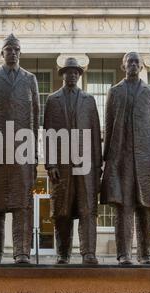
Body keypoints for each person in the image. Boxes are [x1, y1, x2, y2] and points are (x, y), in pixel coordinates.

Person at [100, 52, 150, 265]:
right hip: (121, 160)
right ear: (123, 65)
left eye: (137, 62)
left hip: (146, 161)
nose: (134, 65)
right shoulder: (115, 92)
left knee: (147, 208)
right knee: (124, 209)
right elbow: (108, 126)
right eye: (130, 62)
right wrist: (106, 158)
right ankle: (124, 254)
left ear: (141, 66)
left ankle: (145, 254)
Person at [0, 34, 40, 264]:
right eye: (9, 49)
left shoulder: (30, 79)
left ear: (20, 52)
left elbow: (35, 116)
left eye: (16, 49)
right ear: (2, 53)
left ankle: (22, 252)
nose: (13, 52)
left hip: (23, 151)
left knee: (23, 205)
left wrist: (34, 153)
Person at [43, 57, 102, 265]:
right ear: (63, 75)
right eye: (69, 72)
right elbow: (48, 133)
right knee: (62, 211)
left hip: (86, 165)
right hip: (61, 165)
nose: (72, 75)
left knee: (87, 209)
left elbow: (95, 135)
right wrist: (50, 163)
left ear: (79, 75)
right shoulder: (52, 100)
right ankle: (63, 253)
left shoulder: (89, 100)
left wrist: (97, 166)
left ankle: (88, 252)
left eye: (76, 72)